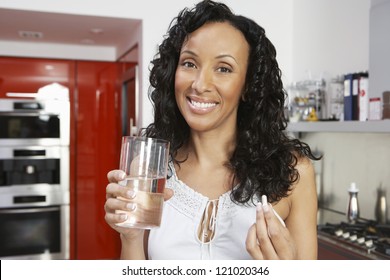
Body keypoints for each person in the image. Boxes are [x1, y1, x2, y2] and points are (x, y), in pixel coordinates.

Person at [105, 0, 320, 260]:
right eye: (189, 63)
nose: (200, 84)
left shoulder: (294, 172)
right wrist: (130, 237)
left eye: (223, 68)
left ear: (248, 86)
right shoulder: (150, 170)